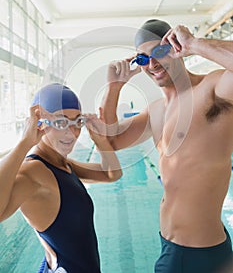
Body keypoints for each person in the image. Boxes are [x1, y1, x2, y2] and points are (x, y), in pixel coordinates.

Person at [101, 19, 233, 273]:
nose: (152, 64)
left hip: (199, 254)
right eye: (143, 59)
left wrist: (195, 44)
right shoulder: (157, 111)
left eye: (159, 52)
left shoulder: (212, 90)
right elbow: (111, 141)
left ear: (175, 47)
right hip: (172, 247)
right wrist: (114, 88)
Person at [0, 83, 122, 273]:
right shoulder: (33, 172)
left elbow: (112, 174)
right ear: (39, 123)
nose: (72, 133)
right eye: (60, 123)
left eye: (77, 122)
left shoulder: (61, 164)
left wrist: (100, 140)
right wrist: (24, 143)